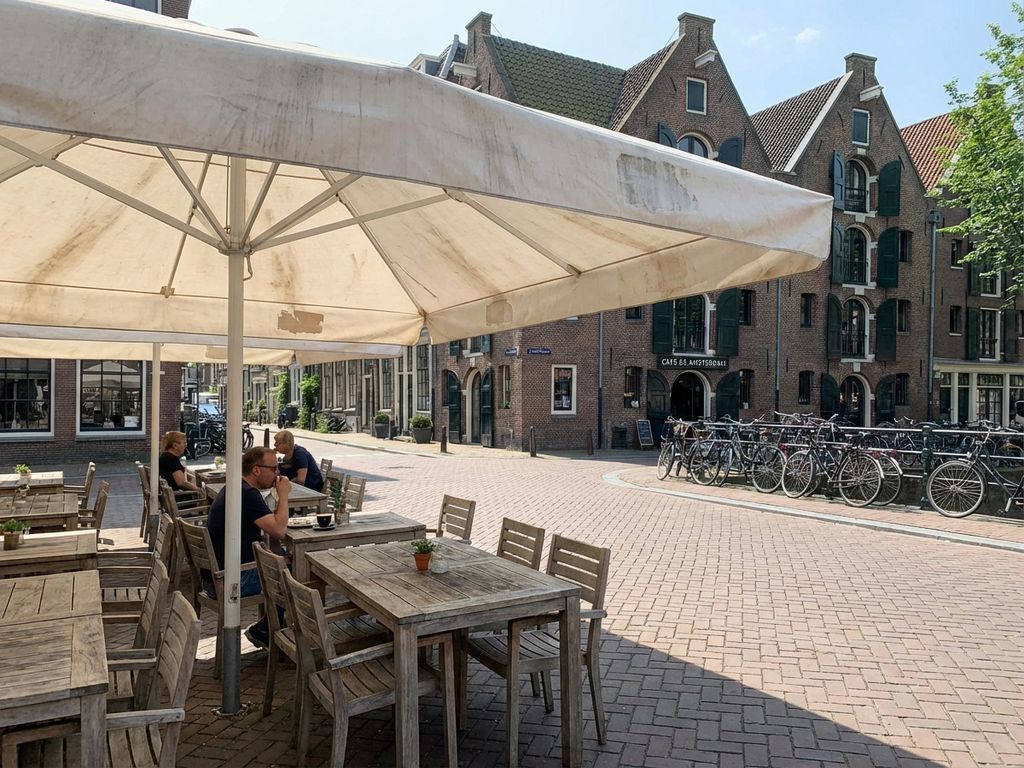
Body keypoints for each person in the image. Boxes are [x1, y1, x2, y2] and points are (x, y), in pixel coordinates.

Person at [205, 446, 291, 649]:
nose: (277, 474)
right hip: (232, 579)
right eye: (274, 468)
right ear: (256, 470)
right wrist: (284, 494)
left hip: (213, 575)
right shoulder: (248, 495)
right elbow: (278, 530)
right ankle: (268, 632)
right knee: (290, 578)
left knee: (284, 562)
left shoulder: (234, 487)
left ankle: (269, 627)